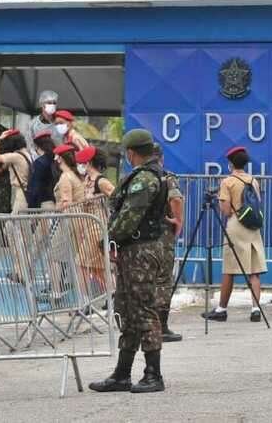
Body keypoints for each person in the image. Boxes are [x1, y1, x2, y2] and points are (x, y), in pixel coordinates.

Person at [89, 129, 168, 394]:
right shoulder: (149, 175)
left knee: (143, 311)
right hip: (134, 250)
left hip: (140, 251)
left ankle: (153, 374)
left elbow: (129, 217)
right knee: (127, 310)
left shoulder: (145, 179)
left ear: (131, 153)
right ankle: (122, 374)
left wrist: (107, 238)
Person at [202, 146, 268, 322]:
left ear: (231, 163)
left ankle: (222, 309)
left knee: (230, 269)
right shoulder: (253, 180)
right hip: (252, 226)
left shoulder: (227, 182)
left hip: (236, 226)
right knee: (254, 271)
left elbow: (225, 210)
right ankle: (256, 309)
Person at [151, 143, 184, 342]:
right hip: (162, 235)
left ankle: (143, 326)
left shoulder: (136, 177)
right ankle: (161, 327)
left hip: (139, 238)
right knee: (163, 280)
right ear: (161, 158)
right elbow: (176, 199)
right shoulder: (166, 177)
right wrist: (178, 221)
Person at [0, 130, 32, 214]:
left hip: (21, 192)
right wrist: (0, 169)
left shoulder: (15, 156)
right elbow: (7, 166)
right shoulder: (27, 153)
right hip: (28, 190)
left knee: (17, 220)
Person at [26, 130, 59, 209]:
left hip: (43, 203)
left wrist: (31, 206)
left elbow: (35, 187)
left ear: (38, 146)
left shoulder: (39, 162)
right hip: (57, 201)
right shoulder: (57, 159)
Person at [52, 145, 85, 209]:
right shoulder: (75, 174)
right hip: (79, 211)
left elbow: (66, 203)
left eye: (55, 157)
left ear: (60, 159)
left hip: (71, 214)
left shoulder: (65, 177)